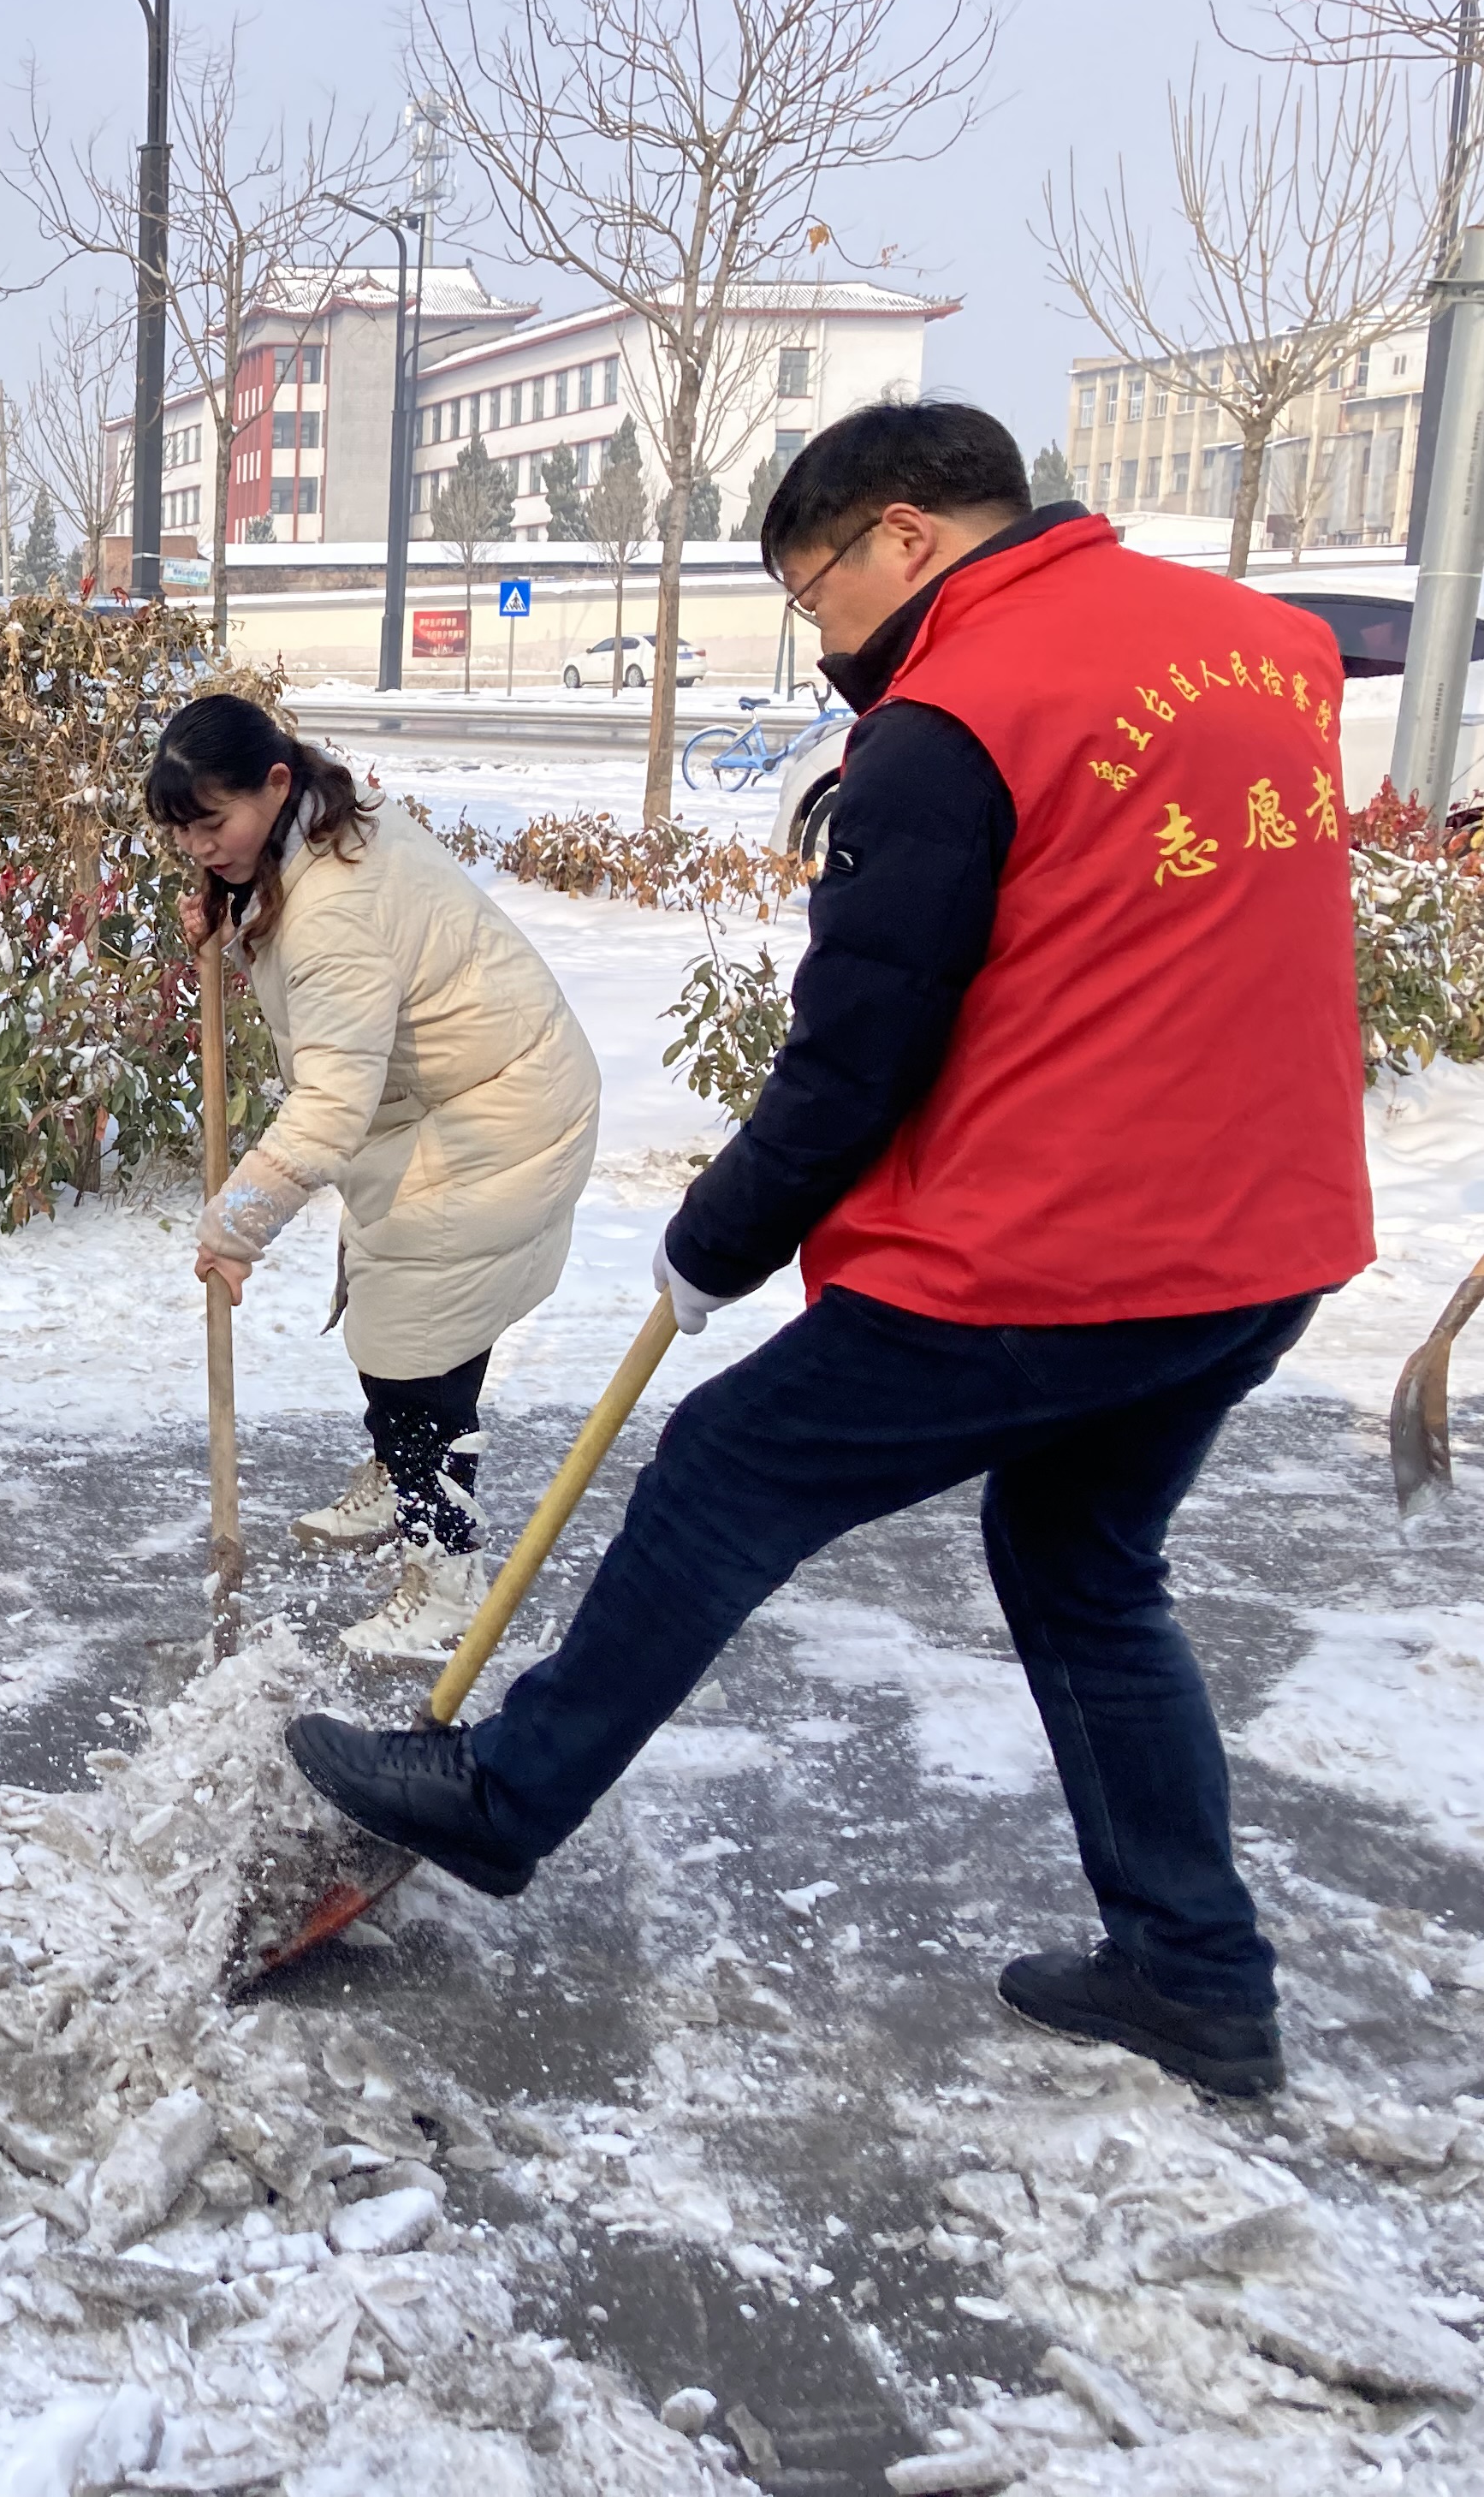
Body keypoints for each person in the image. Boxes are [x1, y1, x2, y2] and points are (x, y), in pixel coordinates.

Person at [283, 401, 1373, 2100]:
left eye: (816, 593)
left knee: (726, 1467)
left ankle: (505, 1798)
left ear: (908, 540)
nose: (825, 639)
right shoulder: (1265, 649)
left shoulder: (953, 717)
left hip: (1059, 1247)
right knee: (1086, 1565)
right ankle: (1197, 1968)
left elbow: (860, 1044)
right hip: (1265, 1240)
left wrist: (719, 1240)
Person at [152, 692, 599, 1660]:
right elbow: (319, 965)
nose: (198, 849)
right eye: (184, 832)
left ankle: (446, 1575)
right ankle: (405, 1469)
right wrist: (236, 912)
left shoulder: (333, 908)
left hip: (496, 1116)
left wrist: (234, 1227)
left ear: (274, 784)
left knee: (412, 1347)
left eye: (212, 825)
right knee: (416, 1319)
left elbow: (326, 1111)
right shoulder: (317, 820)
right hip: (464, 1100)